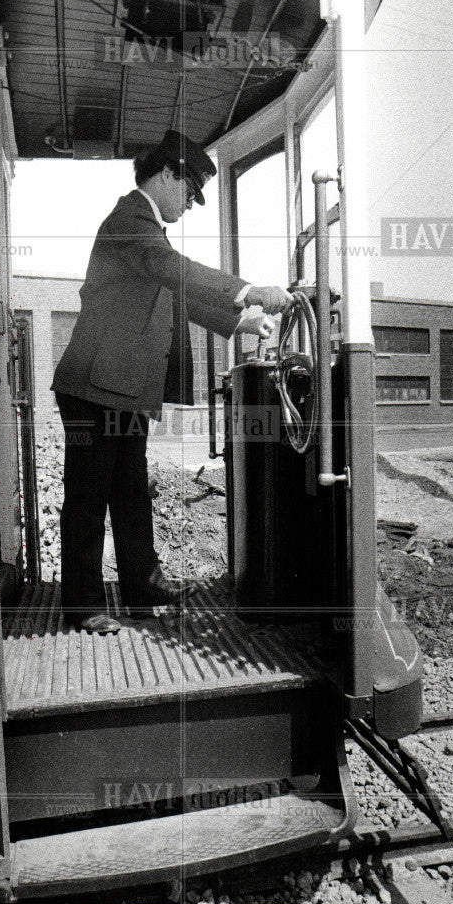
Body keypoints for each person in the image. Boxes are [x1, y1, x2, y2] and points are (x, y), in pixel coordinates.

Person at [51, 129, 291, 633]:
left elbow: (171, 291)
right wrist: (247, 291)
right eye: (188, 191)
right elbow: (172, 269)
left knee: (132, 490)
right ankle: (83, 603)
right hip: (93, 388)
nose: (189, 204)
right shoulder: (131, 220)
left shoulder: (143, 228)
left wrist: (240, 322)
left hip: (119, 387)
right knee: (90, 496)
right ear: (167, 174)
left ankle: (142, 584)